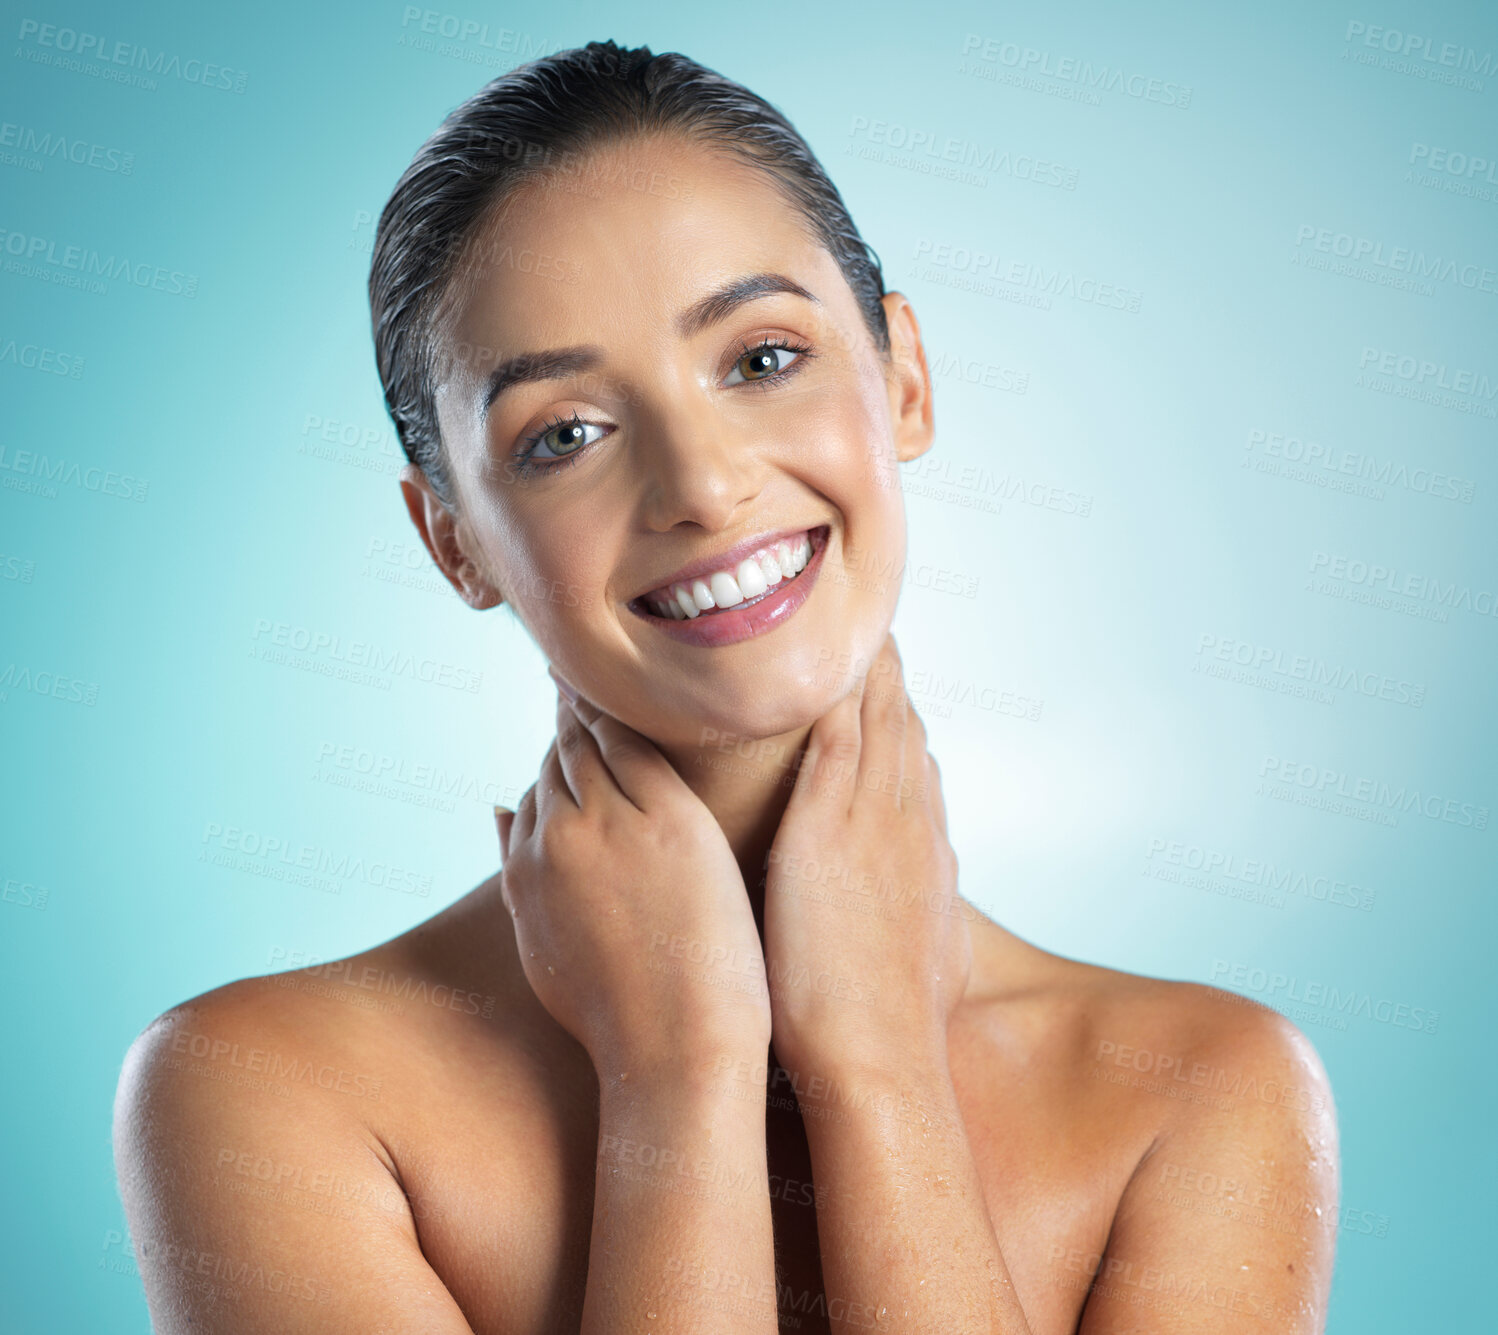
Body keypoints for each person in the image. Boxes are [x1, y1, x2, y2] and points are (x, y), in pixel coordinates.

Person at [113, 40, 1339, 1334]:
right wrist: (675, 1080)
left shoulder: (1202, 1091)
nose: (700, 484)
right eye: (566, 433)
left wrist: (877, 1071)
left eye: (759, 359)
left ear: (902, 374)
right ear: (453, 540)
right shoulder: (270, 1095)